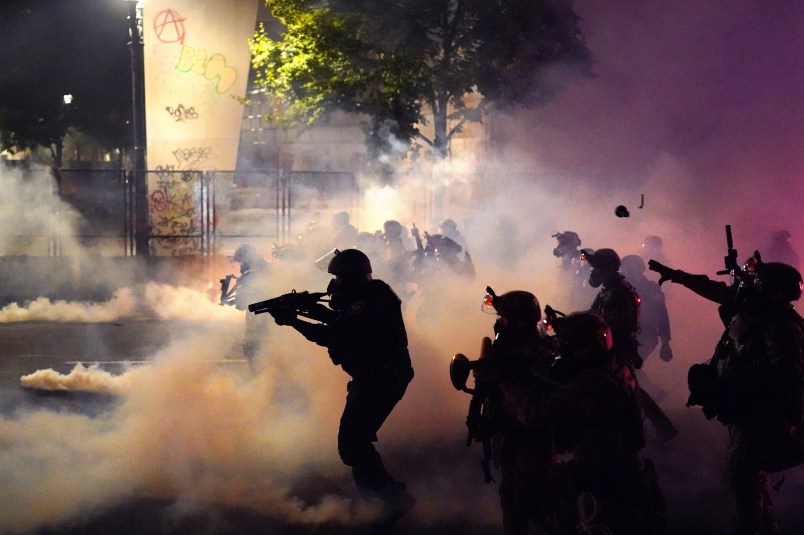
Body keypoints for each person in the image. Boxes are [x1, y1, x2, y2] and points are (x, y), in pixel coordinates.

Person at [650, 258, 804, 535]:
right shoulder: (756, 309)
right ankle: (764, 523)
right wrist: (679, 275)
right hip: (744, 408)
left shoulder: (780, 325)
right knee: (748, 472)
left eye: (760, 283)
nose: (751, 286)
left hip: (760, 412)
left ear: (776, 292)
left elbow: (786, 375)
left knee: (743, 473)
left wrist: (739, 385)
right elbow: (717, 291)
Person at [266, 249, 416, 525]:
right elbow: (342, 320)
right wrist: (308, 310)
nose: (333, 284)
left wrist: (294, 321)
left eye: (337, 277)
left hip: (382, 379)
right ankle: (371, 501)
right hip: (374, 378)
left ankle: (395, 498)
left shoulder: (371, 302)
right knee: (356, 443)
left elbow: (333, 334)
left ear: (350, 279)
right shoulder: (371, 295)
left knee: (353, 443)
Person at [500, 311, 667, 534]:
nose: (560, 352)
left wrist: (506, 387)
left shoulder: (594, 385)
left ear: (583, 351)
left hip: (605, 482)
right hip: (626, 473)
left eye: (566, 347)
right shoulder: (615, 366)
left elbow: (536, 413)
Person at [473, 289, 559, 534]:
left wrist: (500, 379)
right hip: (512, 436)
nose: (499, 324)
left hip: (533, 441)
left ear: (520, 323)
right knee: (511, 498)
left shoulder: (539, 353)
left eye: (504, 319)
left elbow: (534, 410)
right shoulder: (517, 348)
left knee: (529, 504)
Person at [584, 248, 679, 442]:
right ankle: (661, 426)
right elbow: (593, 316)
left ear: (609, 269)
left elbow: (611, 326)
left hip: (619, 346)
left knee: (629, 388)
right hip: (616, 346)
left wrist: (665, 343)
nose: (593, 273)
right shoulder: (610, 290)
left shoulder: (617, 293)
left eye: (598, 268)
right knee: (631, 387)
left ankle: (643, 430)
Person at [221, 244, 271, 372]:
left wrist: (230, 301)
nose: (240, 267)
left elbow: (241, 304)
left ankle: (261, 381)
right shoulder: (267, 271)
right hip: (273, 322)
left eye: (240, 263)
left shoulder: (249, 277)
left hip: (258, 322)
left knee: (253, 350)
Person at [620, 255, 673, 362]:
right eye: (627, 269)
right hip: (621, 337)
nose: (629, 273)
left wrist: (665, 343)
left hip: (645, 336)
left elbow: (661, 315)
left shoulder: (651, 289)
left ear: (641, 270)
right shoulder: (618, 288)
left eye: (632, 269)